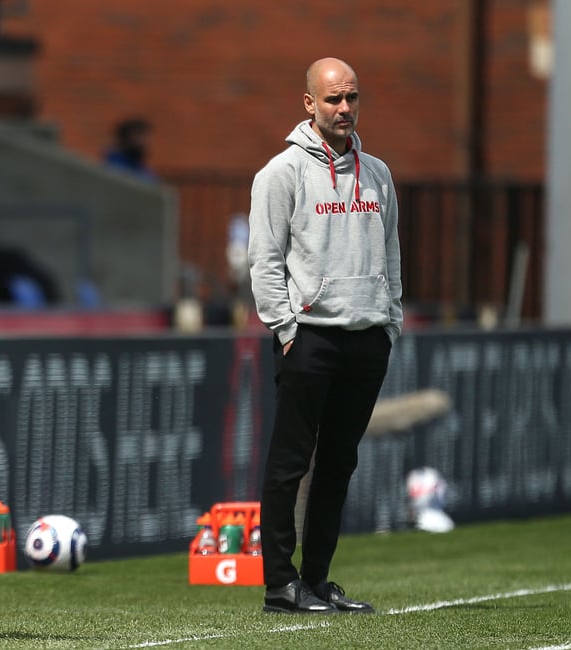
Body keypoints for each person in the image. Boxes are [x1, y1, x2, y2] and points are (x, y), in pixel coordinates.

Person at [247, 57, 402, 614]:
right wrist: (286, 329)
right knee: (290, 463)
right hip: (309, 336)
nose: (344, 108)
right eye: (333, 99)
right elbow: (264, 261)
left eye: (352, 98)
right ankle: (280, 584)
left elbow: (391, 254)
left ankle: (316, 580)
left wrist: (390, 319)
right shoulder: (282, 173)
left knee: (340, 463)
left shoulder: (378, 172)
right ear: (309, 103)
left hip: (366, 336)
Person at [103, 117, 157, 181]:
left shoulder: (146, 173)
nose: (143, 142)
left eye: (145, 137)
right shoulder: (113, 166)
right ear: (124, 139)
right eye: (137, 135)